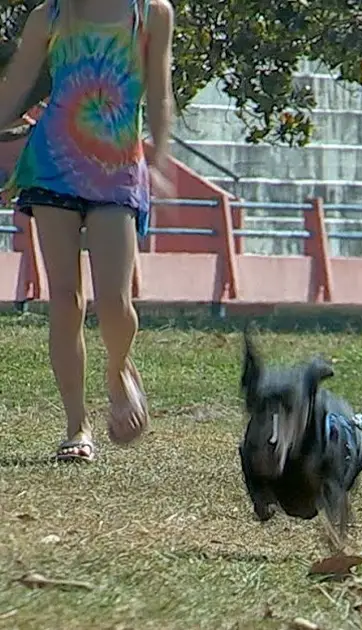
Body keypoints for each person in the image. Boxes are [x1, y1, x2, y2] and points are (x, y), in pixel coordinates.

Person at [0, 0, 176, 462]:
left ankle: (118, 370)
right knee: (64, 299)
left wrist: (159, 156)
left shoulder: (152, 14)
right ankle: (76, 427)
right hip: (53, 165)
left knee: (116, 303)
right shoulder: (51, 15)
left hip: (118, 170)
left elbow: (159, 91)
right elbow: (17, 84)